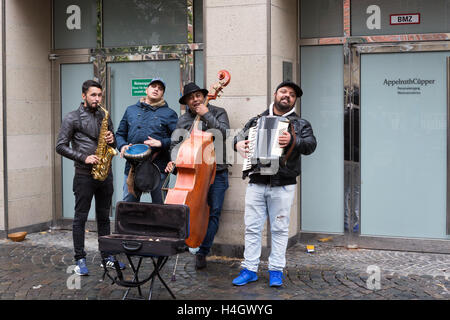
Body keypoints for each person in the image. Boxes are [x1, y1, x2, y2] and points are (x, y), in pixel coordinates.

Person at [232, 81, 317, 287]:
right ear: (275, 94)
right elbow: (238, 138)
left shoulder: (301, 124)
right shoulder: (256, 120)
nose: (287, 96)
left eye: (291, 94)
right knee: (252, 228)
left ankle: (276, 270)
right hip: (257, 181)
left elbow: (311, 145)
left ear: (295, 100)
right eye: (283, 92)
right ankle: (250, 269)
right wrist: (238, 144)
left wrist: (292, 141)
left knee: (279, 229)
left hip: (283, 184)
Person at [55, 79, 125, 276]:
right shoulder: (72, 118)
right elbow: (60, 146)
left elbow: (114, 143)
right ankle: (80, 260)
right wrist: (84, 157)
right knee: (80, 219)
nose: (97, 99)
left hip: (104, 173)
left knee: (104, 217)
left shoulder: (104, 115)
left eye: (99, 95)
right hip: (84, 175)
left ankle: (107, 258)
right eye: (93, 95)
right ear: (83, 95)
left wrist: (113, 140)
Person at [165, 82, 230, 270]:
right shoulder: (183, 120)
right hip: (192, 174)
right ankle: (189, 241)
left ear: (203, 96)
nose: (195, 99)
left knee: (214, 212)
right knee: (190, 211)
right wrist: (173, 162)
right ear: (186, 101)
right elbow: (175, 146)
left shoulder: (218, 112)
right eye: (190, 97)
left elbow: (224, 133)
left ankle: (203, 251)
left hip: (217, 172)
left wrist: (206, 114)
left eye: (197, 96)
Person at [116, 78, 178, 204]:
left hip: (158, 167)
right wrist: (122, 146)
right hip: (132, 167)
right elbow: (120, 134)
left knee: (160, 207)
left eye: (160, 88)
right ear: (146, 89)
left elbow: (179, 139)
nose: (156, 89)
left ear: (162, 94)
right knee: (129, 205)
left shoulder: (169, 113)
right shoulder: (130, 110)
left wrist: (161, 143)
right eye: (153, 86)